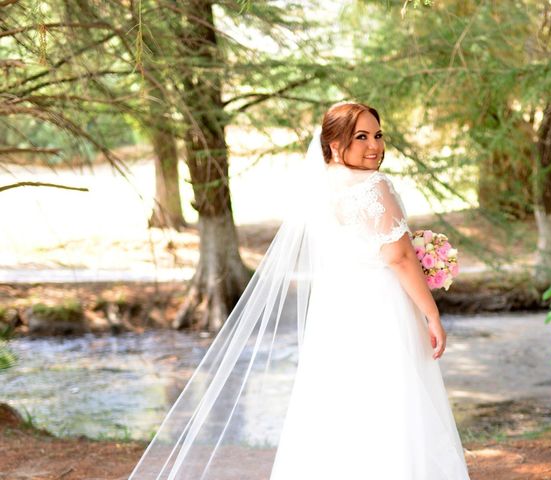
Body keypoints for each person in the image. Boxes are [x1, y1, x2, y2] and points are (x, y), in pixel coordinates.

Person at [128, 102, 470, 480]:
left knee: (339, 413)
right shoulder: (375, 185)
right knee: (392, 405)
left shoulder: (321, 185)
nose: (374, 146)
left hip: (336, 316)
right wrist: (431, 313)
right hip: (380, 312)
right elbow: (400, 256)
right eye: (361, 137)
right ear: (335, 143)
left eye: (377, 135)